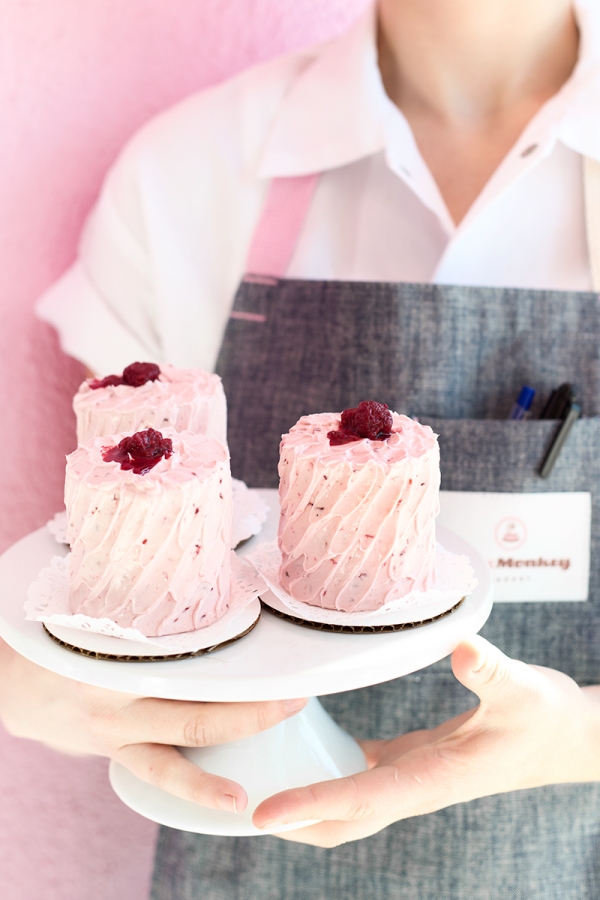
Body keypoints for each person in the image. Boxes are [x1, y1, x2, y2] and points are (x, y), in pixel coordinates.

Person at [4, 0, 600, 896]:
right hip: (241, 846)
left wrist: (575, 738)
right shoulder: (190, 176)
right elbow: (92, 564)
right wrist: (34, 689)